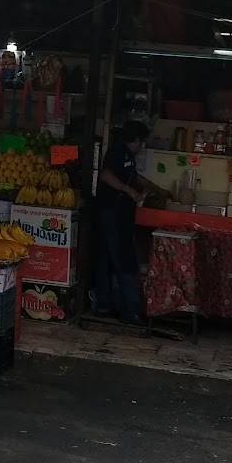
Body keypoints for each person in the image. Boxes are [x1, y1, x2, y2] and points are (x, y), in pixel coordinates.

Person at [91, 120, 163, 324]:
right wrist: (128, 190)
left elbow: (135, 178)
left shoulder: (127, 156)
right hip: (113, 212)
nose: (142, 147)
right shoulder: (116, 152)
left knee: (106, 257)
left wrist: (159, 190)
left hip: (118, 213)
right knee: (123, 257)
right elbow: (105, 175)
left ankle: (104, 304)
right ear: (137, 139)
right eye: (142, 143)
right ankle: (131, 309)